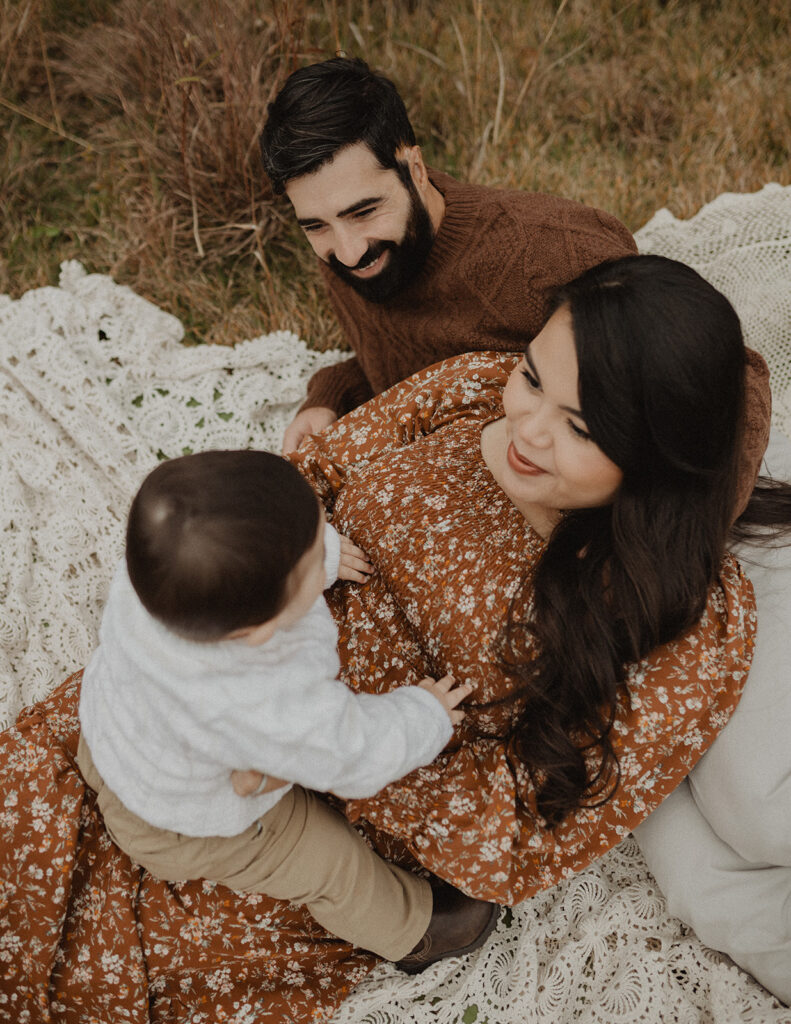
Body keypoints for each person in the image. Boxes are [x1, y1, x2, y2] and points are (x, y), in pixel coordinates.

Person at [5, 254, 788, 1017]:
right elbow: (318, 477)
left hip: (354, 789)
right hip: (229, 664)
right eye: (535, 376)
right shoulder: (474, 389)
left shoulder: (677, 621)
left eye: (579, 428)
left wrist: (330, 743)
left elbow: (525, 837)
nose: (527, 427)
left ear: (655, 457)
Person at [76, 449, 499, 974]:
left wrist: (318, 560)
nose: (323, 538)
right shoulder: (263, 697)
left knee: (243, 764)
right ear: (253, 631)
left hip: (107, 736)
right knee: (325, 860)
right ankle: (415, 930)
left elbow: (256, 547)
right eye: (308, 557)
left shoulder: (161, 574)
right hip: (176, 823)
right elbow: (352, 753)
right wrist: (426, 713)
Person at [259, 56, 639, 454]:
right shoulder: (348, 255)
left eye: (364, 212)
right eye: (316, 225)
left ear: (416, 169)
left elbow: (650, 379)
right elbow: (409, 356)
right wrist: (330, 397)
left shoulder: (550, 254)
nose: (350, 253)